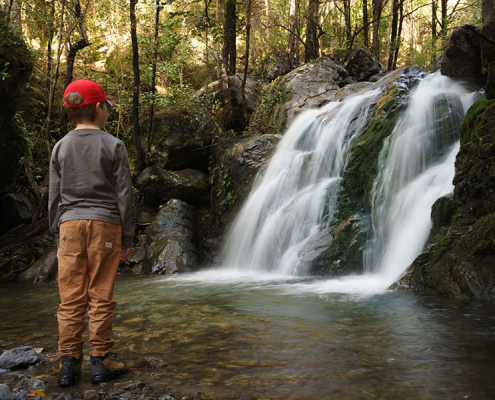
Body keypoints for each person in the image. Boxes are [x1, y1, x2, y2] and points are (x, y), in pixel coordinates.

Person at [48, 79, 134, 387]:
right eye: (105, 108)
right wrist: (128, 237)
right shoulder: (114, 145)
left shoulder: (60, 147)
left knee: (70, 297)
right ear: (98, 108)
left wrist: (55, 228)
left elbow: (54, 195)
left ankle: (68, 365)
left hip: (69, 225)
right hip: (105, 225)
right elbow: (124, 194)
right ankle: (101, 362)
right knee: (100, 295)